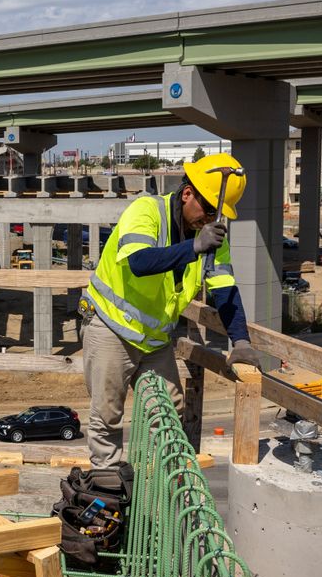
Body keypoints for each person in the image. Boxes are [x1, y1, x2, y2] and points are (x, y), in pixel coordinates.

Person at [79, 152, 261, 469]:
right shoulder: (147, 210)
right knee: (107, 415)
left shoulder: (211, 237)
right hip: (111, 328)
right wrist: (192, 247)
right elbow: (139, 262)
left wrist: (241, 341)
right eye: (206, 209)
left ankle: (152, 484)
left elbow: (225, 289)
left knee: (168, 413)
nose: (208, 220)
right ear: (187, 193)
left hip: (153, 340)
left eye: (216, 215)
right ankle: (105, 485)